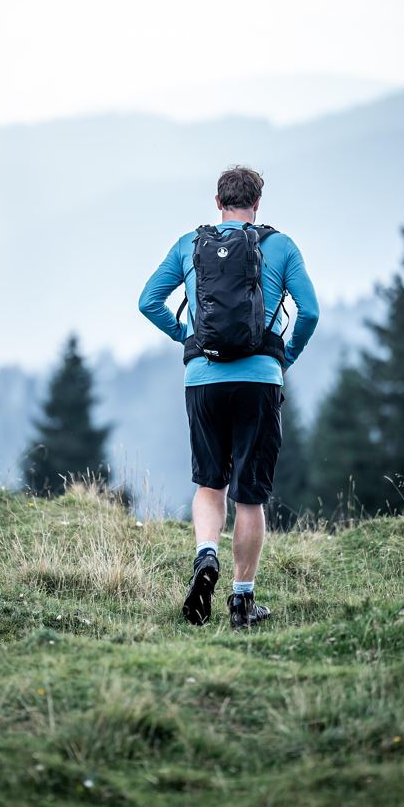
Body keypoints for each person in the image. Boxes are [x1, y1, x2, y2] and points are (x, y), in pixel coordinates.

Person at [138, 165, 319, 629]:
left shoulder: (190, 245)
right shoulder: (280, 245)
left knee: (209, 484)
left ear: (218, 202)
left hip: (203, 378)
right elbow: (310, 312)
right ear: (257, 204)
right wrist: (284, 359)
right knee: (250, 496)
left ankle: (205, 556)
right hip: (260, 379)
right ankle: (242, 602)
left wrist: (187, 336)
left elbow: (148, 301)